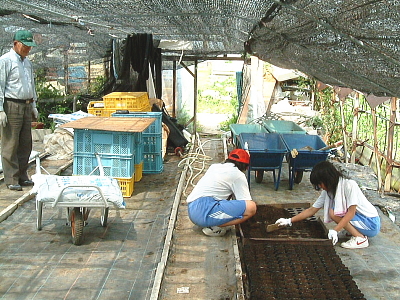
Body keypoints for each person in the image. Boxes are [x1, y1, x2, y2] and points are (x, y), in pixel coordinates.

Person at [275, 160, 380, 249]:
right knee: (334, 212)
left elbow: (351, 213)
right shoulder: (329, 191)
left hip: (371, 223)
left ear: (327, 179)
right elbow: (312, 210)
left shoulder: (349, 185)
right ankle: (352, 231)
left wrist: (335, 230)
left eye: (320, 183)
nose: (320, 187)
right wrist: (289, 220)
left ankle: (360, 238)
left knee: (333, 213)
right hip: (361, 220)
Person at [186, 148, 257, 237]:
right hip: (203, 212)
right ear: (245, 166)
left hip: (193, 209)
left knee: (228, 197)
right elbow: (245, 202)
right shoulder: (238, 175)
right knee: (251, 207)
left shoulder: (214, 167)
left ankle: (213, 222)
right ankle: (215, 226)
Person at [0, 30, 39, 191]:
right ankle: (11, 178)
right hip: (11, 104)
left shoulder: (27, 63)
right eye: (26, 46)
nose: (28, 49)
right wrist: (0, 110)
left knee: (25, 143)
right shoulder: (5, 61)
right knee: (10, 142)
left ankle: (23, 175)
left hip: (26, 104)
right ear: (16, 43)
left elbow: (31, 85)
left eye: (30, 46)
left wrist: (34, 105)